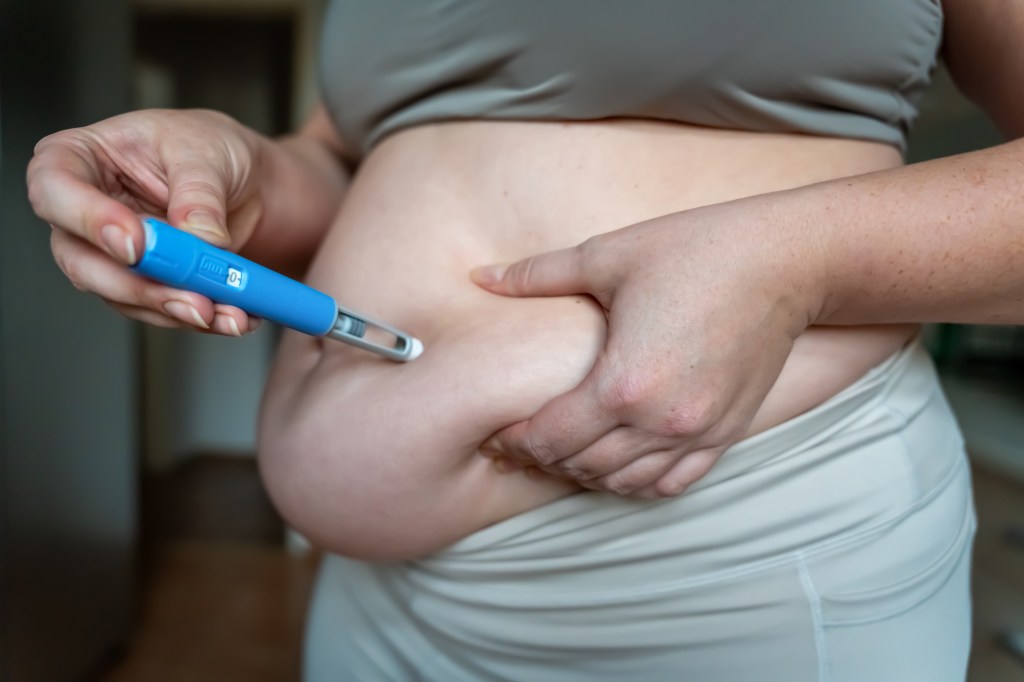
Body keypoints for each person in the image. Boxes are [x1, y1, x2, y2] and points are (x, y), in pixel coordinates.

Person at [26, 0, 1023, 679]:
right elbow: (349, 160)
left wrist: (792, 259)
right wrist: (239, 162)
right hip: (375, 597)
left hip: (734, 546)